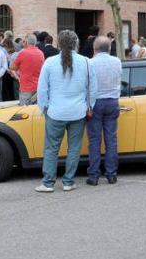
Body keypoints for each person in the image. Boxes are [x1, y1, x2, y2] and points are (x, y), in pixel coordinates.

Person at [35, 30, 97, 193]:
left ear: (59, 43)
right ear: (76, 42)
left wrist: (44, 108)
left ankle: (48, 183)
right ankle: (68, 181)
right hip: (78, 112)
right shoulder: (86, 62)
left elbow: (42, 89)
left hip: (55, 112)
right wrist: (89, 106)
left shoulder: (49, 62)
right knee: (74, 148)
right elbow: (92, 89)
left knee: (51, 148)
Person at [86, 36, 121, 186]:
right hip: (113, 102)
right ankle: (111, 174)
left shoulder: (90, 63)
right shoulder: (117, 61)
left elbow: (87, 85)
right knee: (111, 140)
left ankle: (94, 175)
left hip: (95, 103)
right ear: (110, 49)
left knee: (94, 140)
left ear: (95, 49)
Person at [11, 34, 44, 106]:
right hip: (38, 88)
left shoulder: (23, 53)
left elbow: (12, 67)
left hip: (26, 88)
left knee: (24, 112)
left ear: (26, 42)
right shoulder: (41, 53)